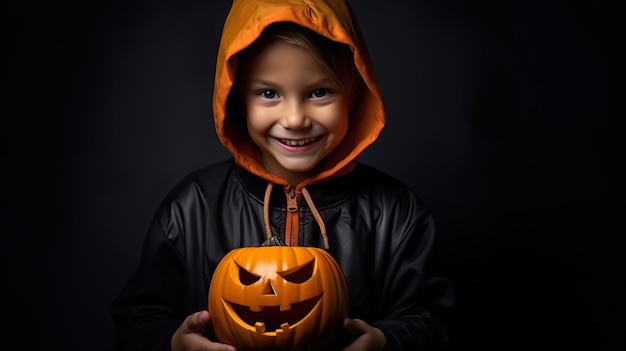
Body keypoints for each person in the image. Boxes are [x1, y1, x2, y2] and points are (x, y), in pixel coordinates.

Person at [110, 0, 454, 350]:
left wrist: (385, 341)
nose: (294, 119)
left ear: (352, 90)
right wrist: (172, 343)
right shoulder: (191, 207)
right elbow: (136, 320)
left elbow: (437, 323)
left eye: (319, 92)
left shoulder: (396, 213)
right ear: (238, 99)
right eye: (268, 93)